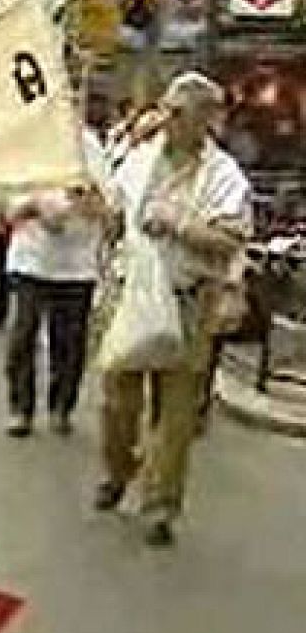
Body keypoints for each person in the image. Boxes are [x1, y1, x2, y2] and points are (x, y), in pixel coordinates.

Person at [96, 72, 251, 548]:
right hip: (131, 293)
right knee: (118, 396)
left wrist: (181, 224)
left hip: (189, 300)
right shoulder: (137, 160)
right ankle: (119, 469)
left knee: (176, 409)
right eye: (168, 109)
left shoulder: (224, 176)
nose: (170, 119)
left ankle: (161, 504)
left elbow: (232, 239)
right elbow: (114, 217)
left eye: (181, 112)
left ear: (206, 118)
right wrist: (100, 212)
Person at [2, 126, 111, 438]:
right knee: (23, 333)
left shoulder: (91, 147)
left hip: (76, 265)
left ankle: (61, 405)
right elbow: (9, 207)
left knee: (69, 342)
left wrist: (85, 199)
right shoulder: (27, 143)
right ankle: (21, 407)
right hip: (31, 259)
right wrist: (36, 208)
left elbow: (108, 209)